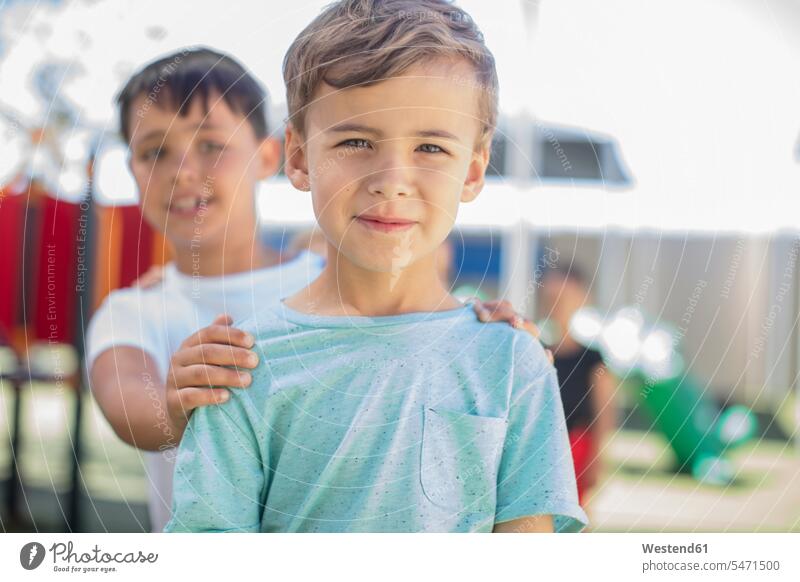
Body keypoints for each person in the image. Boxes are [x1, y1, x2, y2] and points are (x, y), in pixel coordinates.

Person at [165, 0, 588, 533]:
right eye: (356, 141)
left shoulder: (512, 364)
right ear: (298, 158)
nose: (391, 179)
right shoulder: (241, 370)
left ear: (474, 171)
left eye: (430, 146)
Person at [87, 46, 541, 532]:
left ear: (270, 156)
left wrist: (469, 329)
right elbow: (125, 405)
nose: (181, 171)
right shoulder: (130, 312)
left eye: (211, 146)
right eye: (155, 152)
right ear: (132, 169)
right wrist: (173, 404)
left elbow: (414, 315)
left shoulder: (334, 279)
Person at [539, 265, 617, 510]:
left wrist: (597, 457)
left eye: (564, 299)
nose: (558, 305)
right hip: (543, 448)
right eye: (553, 299)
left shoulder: (593, 359)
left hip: (577, 447)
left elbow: (605, 413)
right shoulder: (538, 351)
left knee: (574, 513)